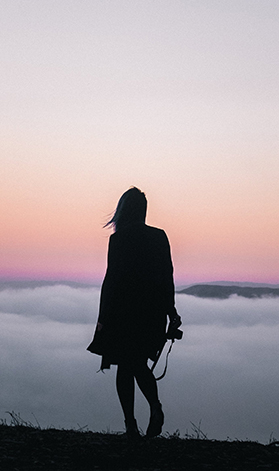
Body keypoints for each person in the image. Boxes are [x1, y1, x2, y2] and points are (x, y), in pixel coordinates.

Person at [87, 187, 181, 438]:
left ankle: (131, 424)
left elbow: (112, 280)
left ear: (123, 211)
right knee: (136, 362)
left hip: (123, 311)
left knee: (126, 366)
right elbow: (167, 277)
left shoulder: (118, 240)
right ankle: (154, 407)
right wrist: (171, 312)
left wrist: (102, 319)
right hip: (152, 312)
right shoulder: (160, 236)